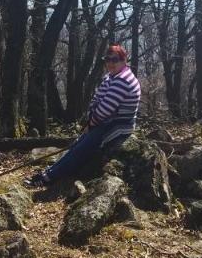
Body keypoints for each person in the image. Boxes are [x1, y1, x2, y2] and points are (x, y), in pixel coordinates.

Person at [25, 44, 141, 188]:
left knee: (81, 149)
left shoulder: (123, 80)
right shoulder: (111, 77)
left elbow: (105, 109)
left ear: (124, 61)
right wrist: (90, 120)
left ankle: (48, 178)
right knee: (76, 145)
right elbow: (96, 100)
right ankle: (48, 173)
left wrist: (91, 124)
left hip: (118, 125)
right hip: (104, 121)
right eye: (107, 59)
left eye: (115, 59)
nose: (110, 63)